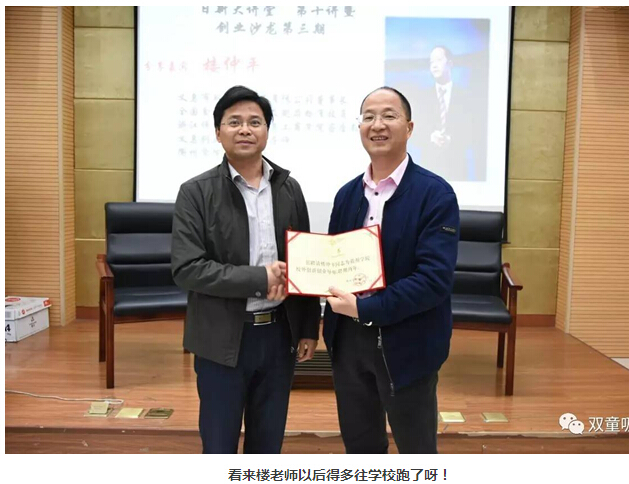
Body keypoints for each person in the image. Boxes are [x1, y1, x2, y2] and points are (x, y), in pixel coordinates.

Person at [171, 85, 321, 454]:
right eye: (234, 121)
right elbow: (188, 268)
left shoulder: (289, 188)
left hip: (278, 336)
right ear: (217, 132)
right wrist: (259, 279)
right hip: (221, 337)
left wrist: (307, 327)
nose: (245, 129)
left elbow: (302, 261)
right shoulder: (195, 192)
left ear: (267, 131)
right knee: (219, 446)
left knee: (267, 447)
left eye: (255, 122)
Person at [324, 87, 460, 453]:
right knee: (361, 449)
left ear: (409, 127)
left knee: (416, 452)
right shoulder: (347, 195)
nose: (377, 125)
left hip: (409, 343)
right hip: (349, 342)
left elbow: (434, 280)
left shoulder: (435, 194)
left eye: (389, 115)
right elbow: (334, 261)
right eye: (368, 117)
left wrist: (366, 307)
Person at [412, 46, 479, 181]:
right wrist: (430, 136)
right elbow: (413, 133)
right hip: (428, 168)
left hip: (457, 168)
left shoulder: (465, 97)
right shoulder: (422, 97)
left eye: (438, 60)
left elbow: (474, 132)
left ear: (450, 63)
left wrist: (452, 140)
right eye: (431, 62)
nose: (434, 65)